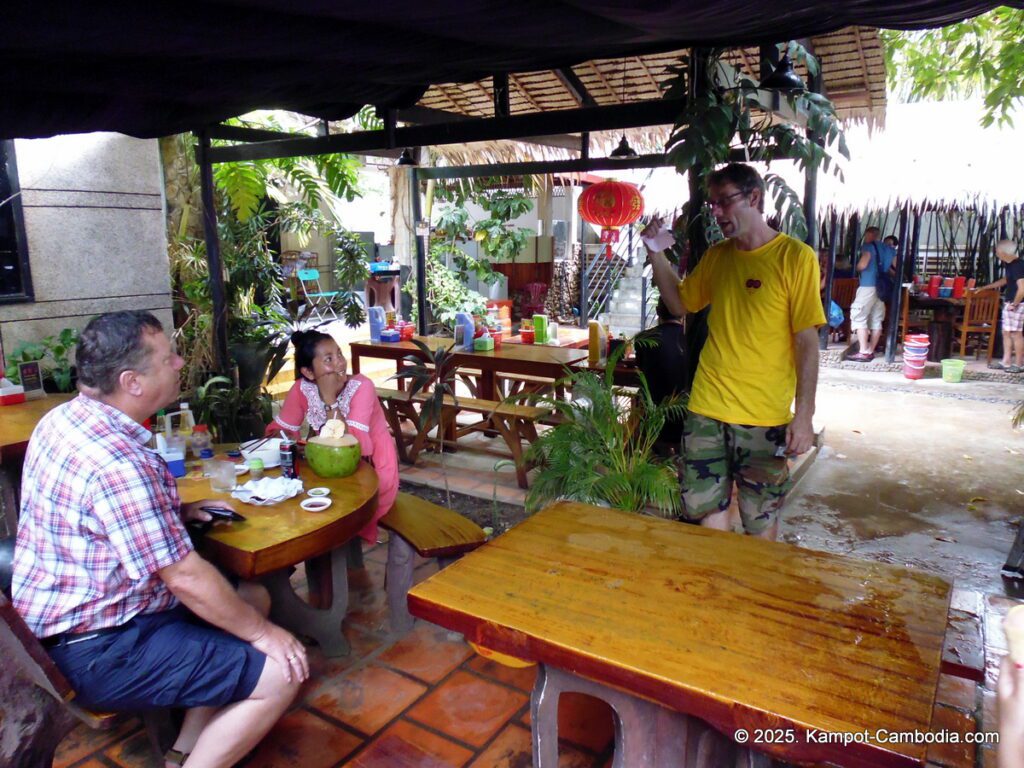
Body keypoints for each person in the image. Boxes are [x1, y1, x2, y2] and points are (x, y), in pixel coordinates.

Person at [12, 311, 306, 768]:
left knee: (251, 598)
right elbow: (184, 578)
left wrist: (177, 512)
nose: (179, 362)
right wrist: (269, 638)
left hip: (56, 625)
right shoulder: (118, 462)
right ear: (131, 381)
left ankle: (182, 750)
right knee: (281, 672)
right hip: (97, 646)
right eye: (168, 358)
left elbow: (103, 517)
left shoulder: (63, 420)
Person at [644, 162, 824, 541]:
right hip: (707, 410)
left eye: (724, 202)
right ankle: (715, 592)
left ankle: (754, 595)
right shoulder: (718, 256)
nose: (718, 212)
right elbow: (678, 304)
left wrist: (804, 414)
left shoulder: (795, 257)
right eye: (713, 205)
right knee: (708, 511)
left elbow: (807, 341)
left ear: (754, 197)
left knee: (760, 520)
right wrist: (656, 254)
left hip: (764, 416)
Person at [267, 330, 398, 542]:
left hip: (372, 470)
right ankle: (331, 564)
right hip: (329, 466)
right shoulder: (303, 389)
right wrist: (280, 437)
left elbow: (354, 448)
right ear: (309, 372)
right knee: (307, 507)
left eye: (339, 354)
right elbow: (282, 430)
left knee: (330, 515)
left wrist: (329, 399)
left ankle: (346, 564)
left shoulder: (361, 386)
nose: (339, 364)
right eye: (329, 359)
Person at [634, 298, 687, 451]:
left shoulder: (644, 338)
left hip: (653, 419)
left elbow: (641, 370)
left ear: (657, 311)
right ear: (683, 313)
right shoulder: (690, 339)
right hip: (685, 420)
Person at [848, 226, 896, 362]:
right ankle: (870, 350)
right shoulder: (888, 249)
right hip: (881, 288)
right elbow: (895, 267)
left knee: (859, 315)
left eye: (867, 235)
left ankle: (863, 351)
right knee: (876, 318)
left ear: (870, 235)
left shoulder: (868, 247)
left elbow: (863, 264)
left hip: (867, 285)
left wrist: (856, 267)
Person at [978, 239, 1024, 373]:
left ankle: (1019, 364)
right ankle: (1006, 361)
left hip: (1018, 304)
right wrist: (986, 287)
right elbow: (1006, 280)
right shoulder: (1010, 265)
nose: (996, 253)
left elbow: (1022, 288)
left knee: (1016, 333)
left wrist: (1015, 304)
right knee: (1006, 333)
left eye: (997, 251)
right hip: (1011, 302)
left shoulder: (1018, 265)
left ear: (1003, 252)